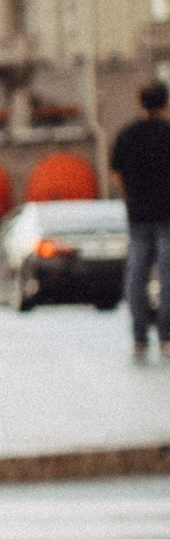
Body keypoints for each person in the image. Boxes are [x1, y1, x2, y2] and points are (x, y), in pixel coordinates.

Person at [108, 79, 170, 360]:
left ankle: (139, 337)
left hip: (138, 216)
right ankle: (166, 337)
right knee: (167, 278)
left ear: (139, 103)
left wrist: (131, 196)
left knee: (137, 277)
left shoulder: (127, 135)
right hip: (167, 216)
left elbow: (116, 172)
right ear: (165, 103)